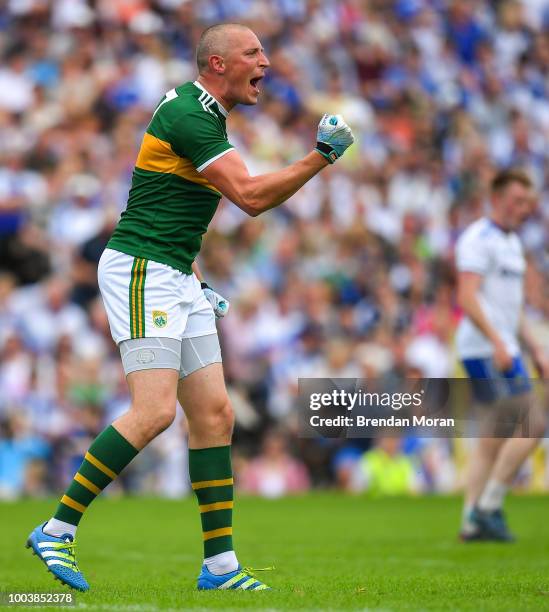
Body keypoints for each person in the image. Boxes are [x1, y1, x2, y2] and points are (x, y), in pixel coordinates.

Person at [26, 23, 353, 592]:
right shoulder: (190, 113)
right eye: (253, 53)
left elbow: (166, 204)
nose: (267, 62)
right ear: (218, 63)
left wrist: (193, 273)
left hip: (175, 273)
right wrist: (321, 156)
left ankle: (220, 566)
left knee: (215, 416)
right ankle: (57, 528)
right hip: (141, 271)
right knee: (153, 412)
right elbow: (249, 198)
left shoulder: (205, 114)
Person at [455, 168, 549, 542]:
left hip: (501, 346)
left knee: (492, 441)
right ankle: (488, 508)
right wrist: (496, 340)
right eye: (516, 200)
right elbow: (466, 296)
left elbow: (513, 309)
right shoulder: (478, 239)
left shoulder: (512, 244)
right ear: (496, 199)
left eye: (528, 202)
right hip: (485, 349)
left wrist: (536, 347)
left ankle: (469, 521)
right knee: (534, 423)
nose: (523, 208)